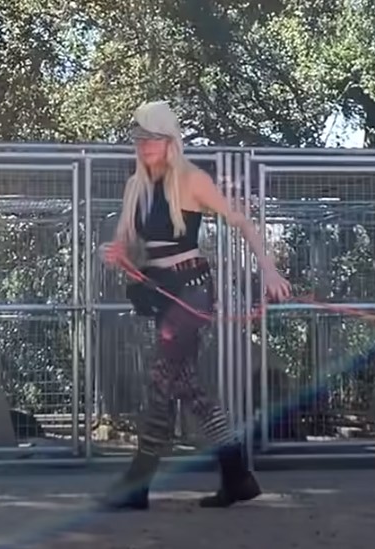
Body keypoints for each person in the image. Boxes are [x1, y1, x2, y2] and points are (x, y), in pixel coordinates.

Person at [98, 100, 292, 511]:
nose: (145, 145)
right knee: (188, 388)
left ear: (170, 139)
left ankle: (137, 482)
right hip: (161, 292)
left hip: (191, 291)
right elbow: (130, 246)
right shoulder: (135, 186)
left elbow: (241, 221)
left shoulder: (190, 180)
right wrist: (117, 254)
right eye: (140, 137)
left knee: (161, 378)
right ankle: (237, 474)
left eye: (153, 137)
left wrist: (270, 271)